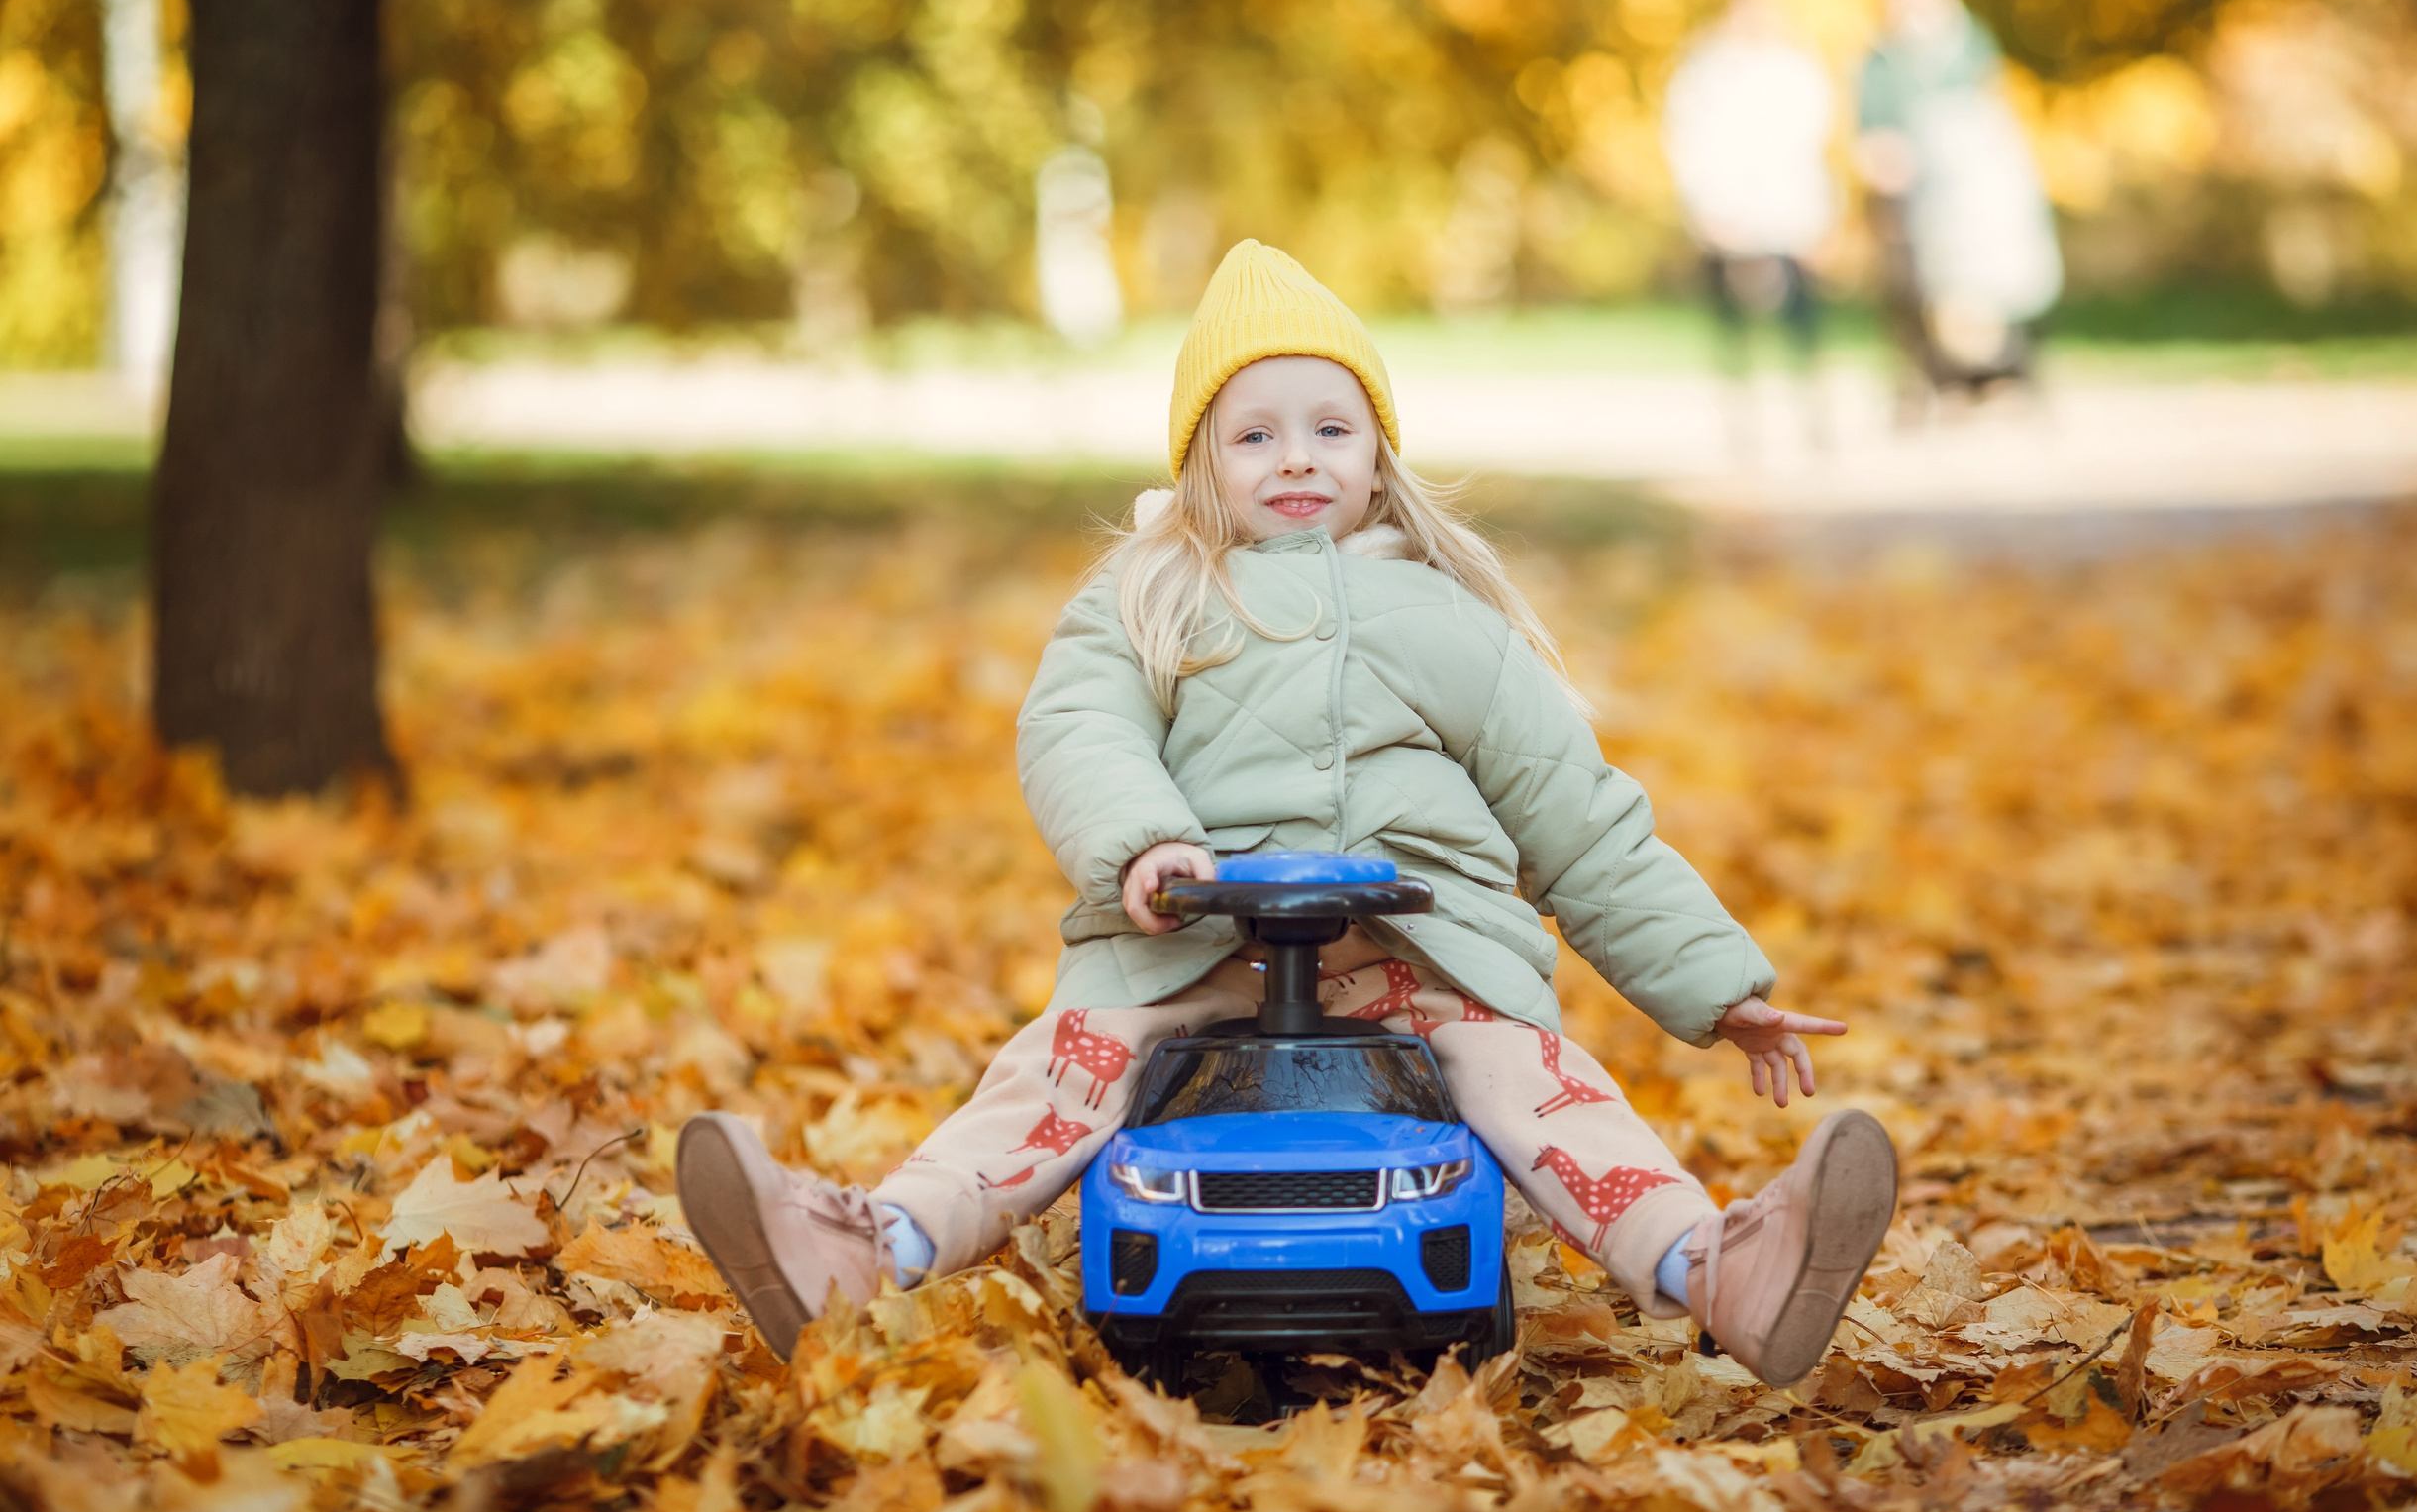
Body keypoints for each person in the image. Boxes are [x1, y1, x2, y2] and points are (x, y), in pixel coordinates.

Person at [675, 242, 1899, 1388]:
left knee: (1540, 1085)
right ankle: (868, 1245)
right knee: (1057, 1075)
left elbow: (1575, 815)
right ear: (1200, 461)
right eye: (1255, 435)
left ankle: (1716, 1266)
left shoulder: (1446, 621)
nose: (1297, 458)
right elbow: (1077, 729)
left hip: (1412, 953)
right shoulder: (1147, 596)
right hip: (1194, 944)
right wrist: (1146, 844)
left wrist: (1712, 985)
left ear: (1378, 456)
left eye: (1330, 428)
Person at [1855, 0, 2063, 408]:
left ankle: (2005, 375)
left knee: (1997, 275)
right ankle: (1937, 381)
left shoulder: (1966, 41)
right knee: (1916, 290)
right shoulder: (1881, 55)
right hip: (1910, 186)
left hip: (1970, 185)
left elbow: (1991, 105)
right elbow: (1871, 126)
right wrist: (1883, 158)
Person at [1662, 0, 1839, 374]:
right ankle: (1742, 410)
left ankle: (1812, 404)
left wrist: (1820, 216)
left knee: (1801, 317)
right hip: (1727, 208)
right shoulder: (1706, 70)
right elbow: (1688, 140)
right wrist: (1706, 206)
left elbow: (1814, 145)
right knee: (1732, 323)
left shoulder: (1796, 67)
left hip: (1789, 212)